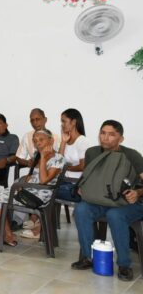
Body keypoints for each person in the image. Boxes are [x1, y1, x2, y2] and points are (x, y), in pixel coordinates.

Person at [71, 120, 143, 282]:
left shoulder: (132, 155)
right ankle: (87, 257)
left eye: (112, 135)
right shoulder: (92, 153)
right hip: (100, 201)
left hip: (129, 203)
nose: (105, 138)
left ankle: (124, 265)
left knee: (115, 215)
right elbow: (89, 177)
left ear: (121, 139)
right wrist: (83, 188)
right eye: (102, 133)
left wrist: (138, 193)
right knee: (81, 209)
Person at [0, 129, 64, 247]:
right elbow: (35, 175)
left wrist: (43, 158)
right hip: (28, 188)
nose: (38, 143)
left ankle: (8, 235)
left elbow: (43, 181)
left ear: (51, 140)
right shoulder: (37, 155)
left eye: (41, 140)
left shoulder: (58, 158)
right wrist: (25, 180)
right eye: (35, 141)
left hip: (40, 195)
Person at [56, 108, 89, 201]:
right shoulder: (65, 141)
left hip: (75, 185)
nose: (62, 125)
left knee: (45, 190)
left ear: (73, 122)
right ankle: (37, 215)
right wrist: (63, 142)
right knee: (41, 187)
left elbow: (83, 166)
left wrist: (66, 168)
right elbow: (58, 163)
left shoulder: (82, 141)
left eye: (64, 121)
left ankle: (37, 215)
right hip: (63, 181)